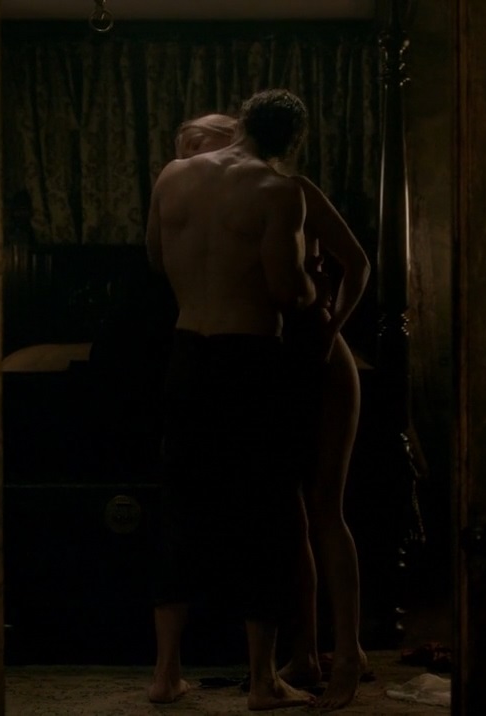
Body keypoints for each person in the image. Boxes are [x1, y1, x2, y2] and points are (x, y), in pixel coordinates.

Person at [177, 111, 372, 710]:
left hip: (318, 355)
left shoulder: (293, 189)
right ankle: (304, 653)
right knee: (286, 514)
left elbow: (357, 262)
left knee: (325, 509)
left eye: (209, 142)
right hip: (272, 359)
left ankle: (349, 655)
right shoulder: (217, 195)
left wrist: (330, 328)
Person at [146, 89, 317, 711]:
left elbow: (156, 258)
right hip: (249, 359)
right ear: (292, 141)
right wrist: (310, 285)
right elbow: (285, 290)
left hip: (188, 352)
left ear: (241, 122)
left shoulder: (174, 174)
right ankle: (264, 680)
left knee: (180, 509)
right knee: (263, 514)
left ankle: (166, 673)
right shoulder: (279, 190)